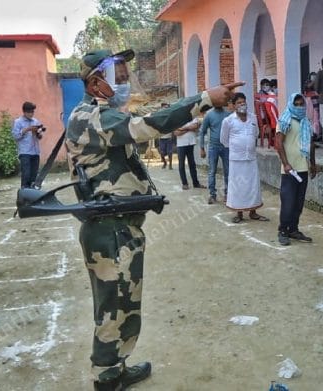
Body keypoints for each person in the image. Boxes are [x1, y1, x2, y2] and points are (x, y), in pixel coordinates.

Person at [65, 48, 241, 390]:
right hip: (108, 230)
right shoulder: (90, 117)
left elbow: (151, 121)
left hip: (121, 229)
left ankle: (116, 368)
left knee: (125, 305)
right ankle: (105, 377)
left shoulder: (106, 114)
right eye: (119, 72)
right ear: (95, 80)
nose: (127, 78)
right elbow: (149, 123)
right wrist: (205, 98)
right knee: (112, 309)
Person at [275, 93, 317, 246]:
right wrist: (285, 164)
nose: (299, 107)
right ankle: (283, 230)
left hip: (303, 167)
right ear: (291, 104)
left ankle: (293, 229)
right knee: (288, 201)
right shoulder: (285, 120)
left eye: (302, 104)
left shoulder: (306, 121)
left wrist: (313, 163)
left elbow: (311, 144)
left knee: (299, 202)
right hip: (290, 169)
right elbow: (278, 144)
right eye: (297, 104)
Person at [221, 92, 269, 223]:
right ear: (234, 105)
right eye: (239, 103)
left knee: (252, 185)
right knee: (237, 186)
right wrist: (238, 147)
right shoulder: (228, 121)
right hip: (236, 159)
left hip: (251, 158)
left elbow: (256, 134)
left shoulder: (253, 118)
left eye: (244, 102)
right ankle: (239, 213)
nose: (242, 104)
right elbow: (224, 140)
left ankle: (253, 212)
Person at [199, 102, 232, 204]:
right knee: (212, 171)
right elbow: (202, 131)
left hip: (226, 147)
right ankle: (212, 194)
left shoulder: (228, 115)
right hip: (213, 147)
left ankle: (228, 194)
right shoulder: (209, 115)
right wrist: (202, 148)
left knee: (228, 172)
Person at [11, 101, 43, 188]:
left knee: (34, 175)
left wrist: (38, 133)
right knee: (26, 174)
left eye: (32, 112)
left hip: (35, 152)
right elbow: (15, 136)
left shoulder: (35, 121)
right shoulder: (18, 122)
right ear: (24, 112)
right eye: (29, 112)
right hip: (25, 152)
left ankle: (33, 192)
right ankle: (24, 192)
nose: (31, 114)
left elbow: (40, 137)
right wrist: (27, 129)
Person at [175, 114, 206, 190]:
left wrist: (182, 129)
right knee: (181, 165)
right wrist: (189, 128)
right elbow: (176, 133)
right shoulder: (176, 120)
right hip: (181, 144)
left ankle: (196, 183)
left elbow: (195, 126)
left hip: (190, 143)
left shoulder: (193, 117)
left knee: (192, 164)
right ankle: (184, 183)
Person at [158, 102, 174, 169]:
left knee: (169, 152)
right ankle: (164, 162)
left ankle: (170, 165)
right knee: (161, 152)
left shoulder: (170, 116)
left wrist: (172, 135)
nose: (165, 109)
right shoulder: (159, 117)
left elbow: (173, 127)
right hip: (161, 137)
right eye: (164, 107)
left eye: (167, 107)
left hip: (169, 137)